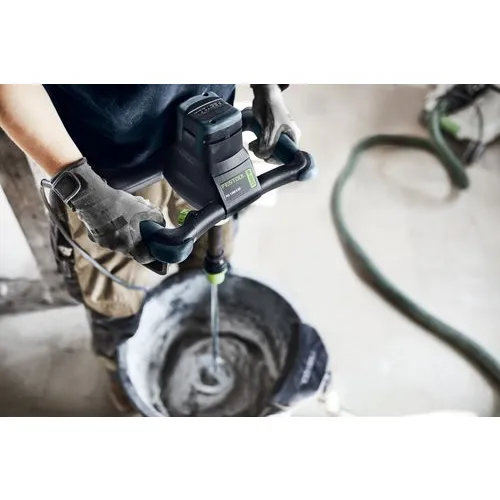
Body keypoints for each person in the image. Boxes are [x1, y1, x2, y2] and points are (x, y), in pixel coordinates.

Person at [0, 84, 300, 412]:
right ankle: (120, 361)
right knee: (113, 294)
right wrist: (83, 190)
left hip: (212, 136)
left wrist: (268, 87)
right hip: (104, 171)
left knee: (214, 254)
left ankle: (198, 314)